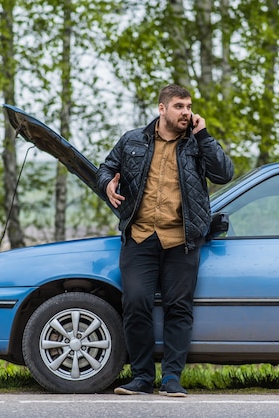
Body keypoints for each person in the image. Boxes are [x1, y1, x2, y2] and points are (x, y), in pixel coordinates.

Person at [96, 84, 234, 397]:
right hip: (140, 236)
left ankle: (171, 378)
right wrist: (106, 183)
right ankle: (142, 377)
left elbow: (224, 174)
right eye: (179, 106)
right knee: (136, 303)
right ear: (162, 109)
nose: (186, 112)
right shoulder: (133, 140)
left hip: (182, 240)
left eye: (188, 107)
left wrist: (205, 136)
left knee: (178, 308)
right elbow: (106, 167)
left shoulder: (197, 143)